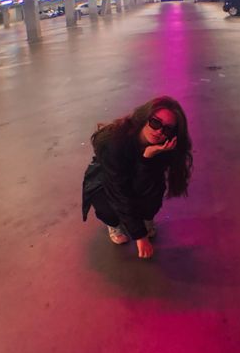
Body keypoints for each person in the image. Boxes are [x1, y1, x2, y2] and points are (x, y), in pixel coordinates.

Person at [82, 96, 193, 259]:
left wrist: (147, 159)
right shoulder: (114, 143)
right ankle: (114, 224)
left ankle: (140, 220)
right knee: (110, 208)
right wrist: (140, 236)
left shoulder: (160, 148)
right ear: (143, 118)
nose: (159, 131)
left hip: (134, 178)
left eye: (167, 129)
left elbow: (149, 188)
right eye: (155, 122)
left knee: (153, 192)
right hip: (106, 181)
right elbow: (119, 191)